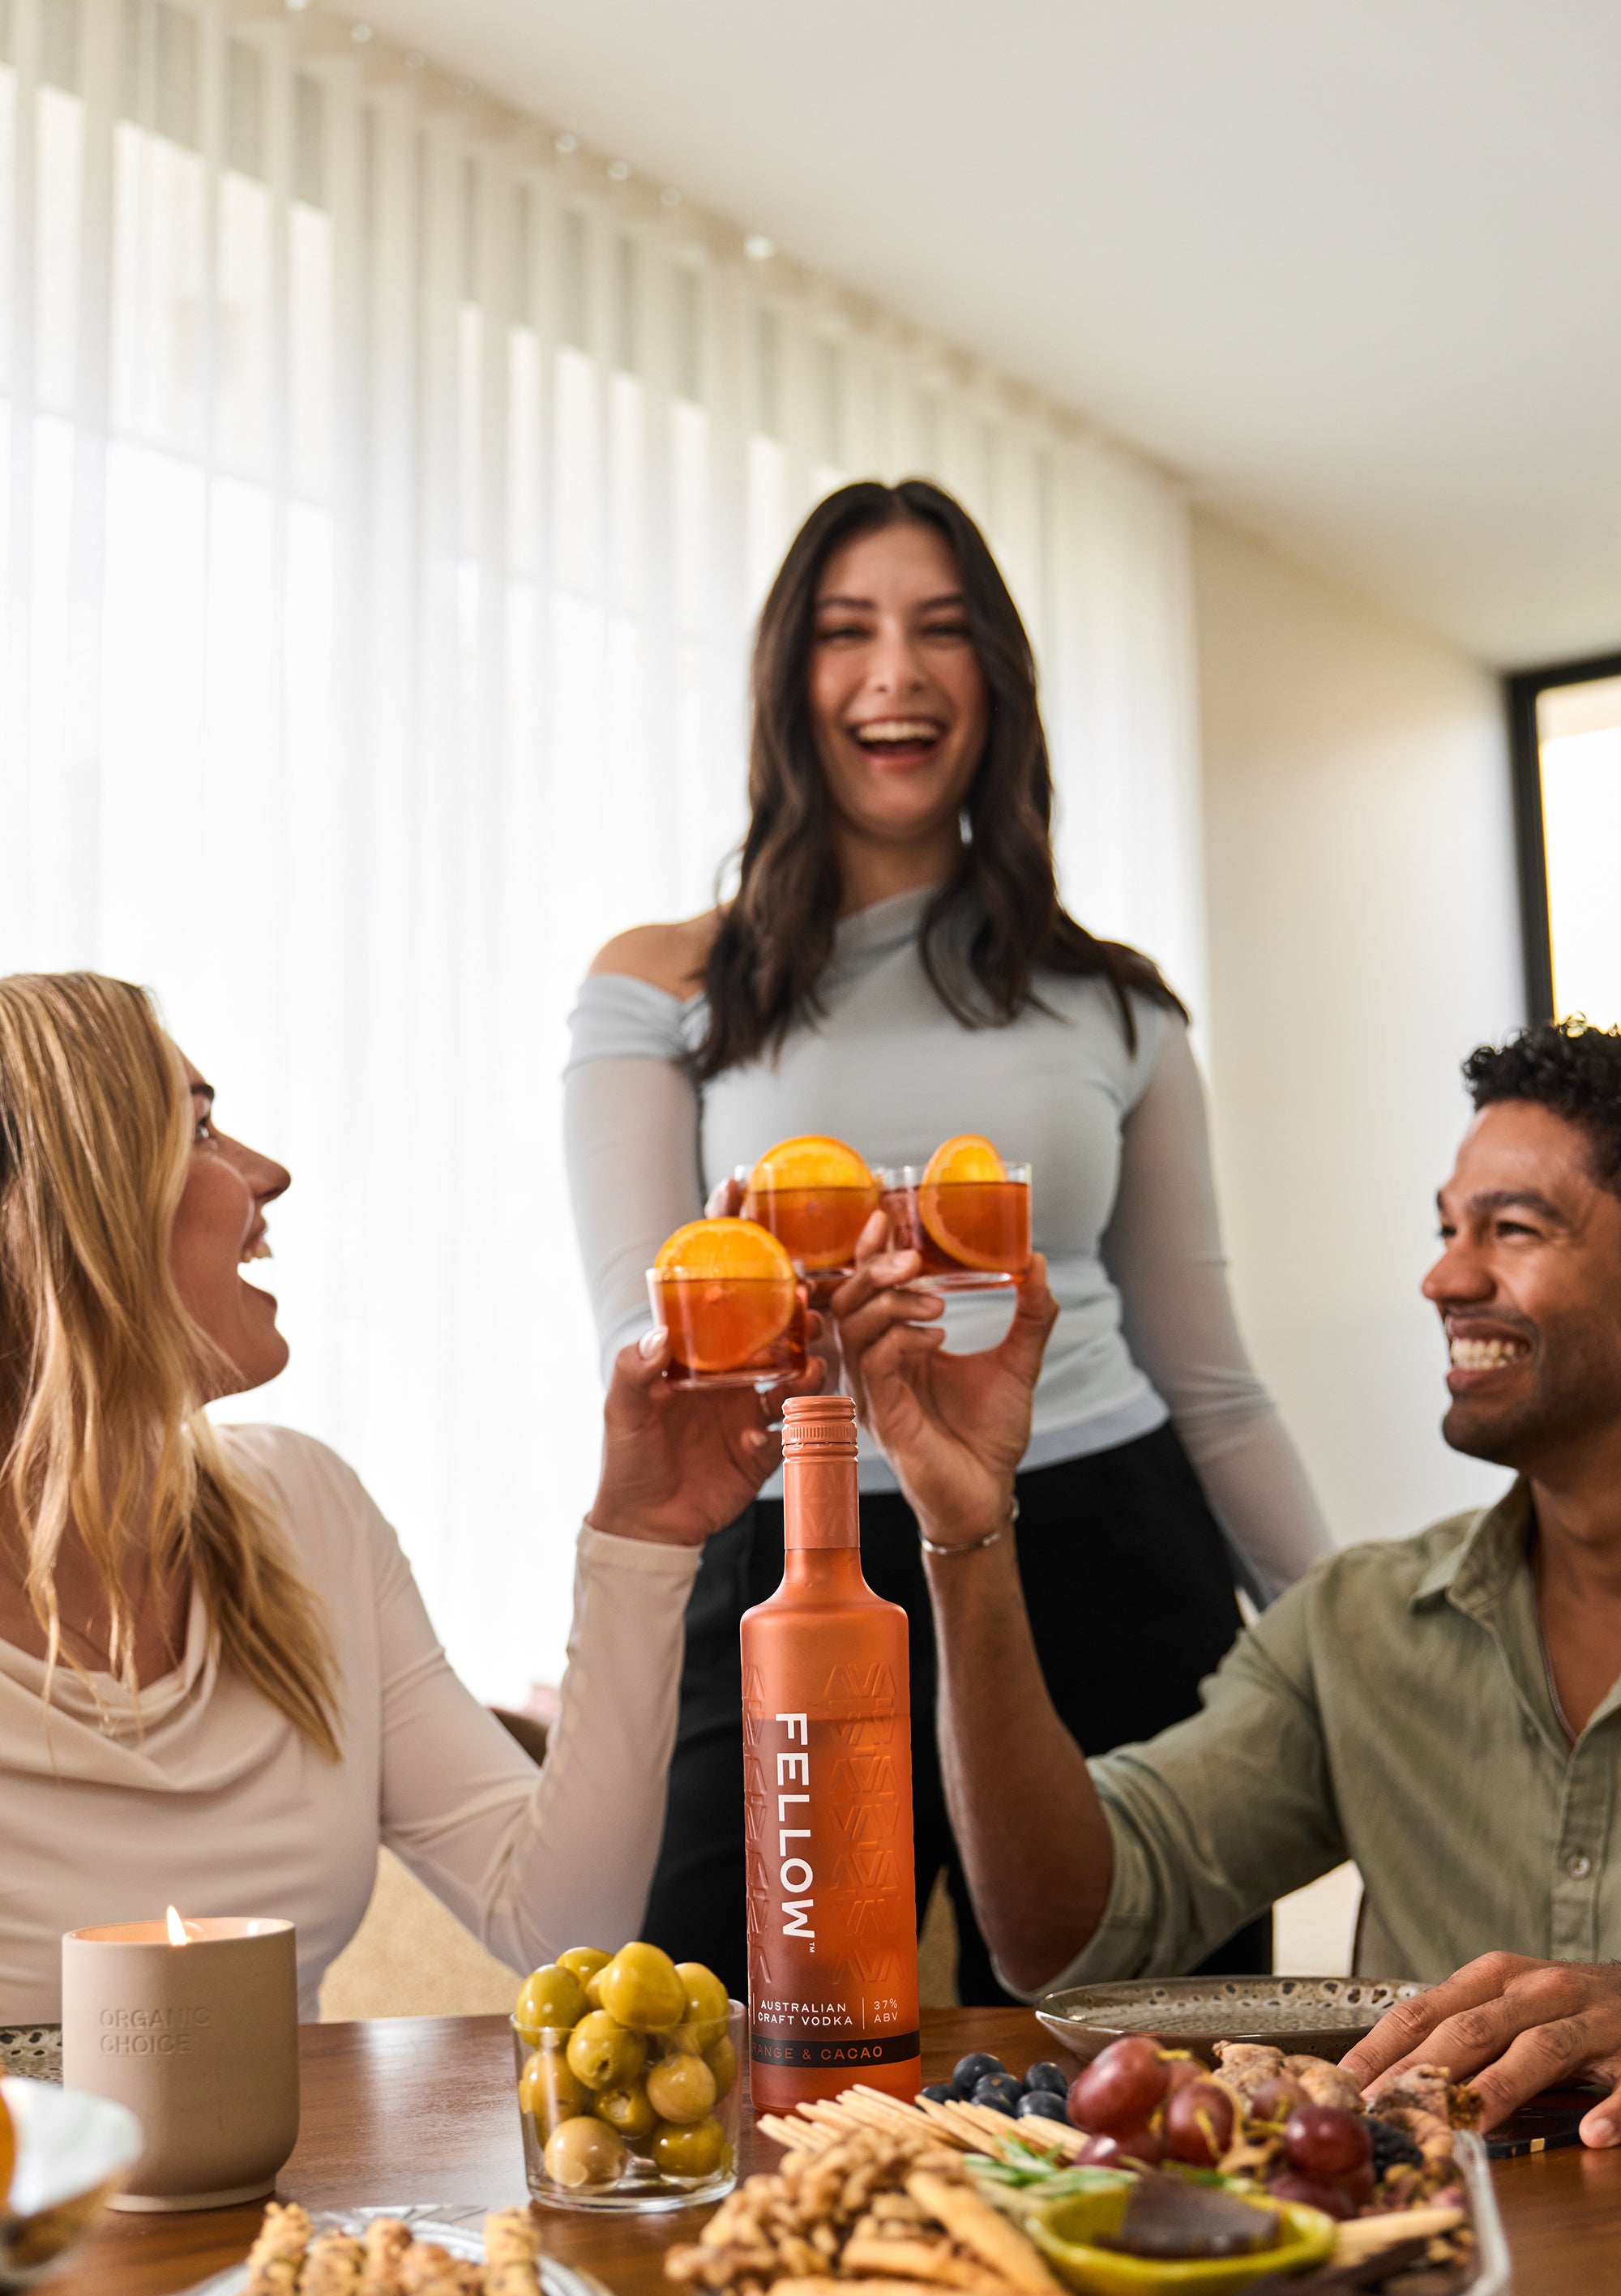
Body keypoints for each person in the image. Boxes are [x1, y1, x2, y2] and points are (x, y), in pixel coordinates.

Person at [564, 477, 1328, 2000]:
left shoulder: (1119, 1006)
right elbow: (642, 1356)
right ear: (794, 686)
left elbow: (1214, 1380)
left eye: (942, 630)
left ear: (996, 682)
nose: (895, 671)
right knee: (721, 2032)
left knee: (1127, 2061)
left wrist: (1355, 1646)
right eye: (848, 632)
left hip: (1103, 1536)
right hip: (794, 1538)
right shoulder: (661, 988)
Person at [834, 1016, 1621, 2144]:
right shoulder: (1356, 1628)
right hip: (1425, 2280)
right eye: (1449, 1227)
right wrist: (968, 1526)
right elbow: (1064, 1932)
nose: (1445, 1275)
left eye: (1513, 1227)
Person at [0, 972, 819, 2026]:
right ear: (62, 1214)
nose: (268, 1170)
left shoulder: (305, 1512)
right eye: (197, 1127)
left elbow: (562, 1924)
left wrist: (644, 1534)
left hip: (290, 2194)